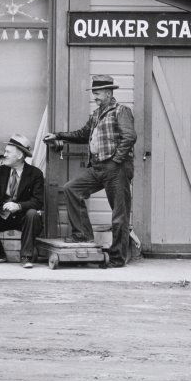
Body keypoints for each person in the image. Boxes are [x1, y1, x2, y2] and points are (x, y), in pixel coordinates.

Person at [44, 75, 137, 268]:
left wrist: (116, 160)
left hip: (116, 168)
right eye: (94, 93)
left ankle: (117, 258)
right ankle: (83, 236)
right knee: (72, 189)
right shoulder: (96, 114)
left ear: (109, 93)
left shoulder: (122, 111)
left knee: (119, 214)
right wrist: (58, 135)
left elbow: (129, 137)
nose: (94, 97)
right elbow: (82, 134)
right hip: (97, 167)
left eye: (97, 93)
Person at [0, 134, 45, 269]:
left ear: (19, 156)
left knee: (32, 214)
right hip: (1, 216)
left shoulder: (35, 174)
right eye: (5, 151)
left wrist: (18, 206)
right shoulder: (0, 171)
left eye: (8, 152)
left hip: (22, 218)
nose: (4, 154)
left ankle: (26, 257)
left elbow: (37, 201)